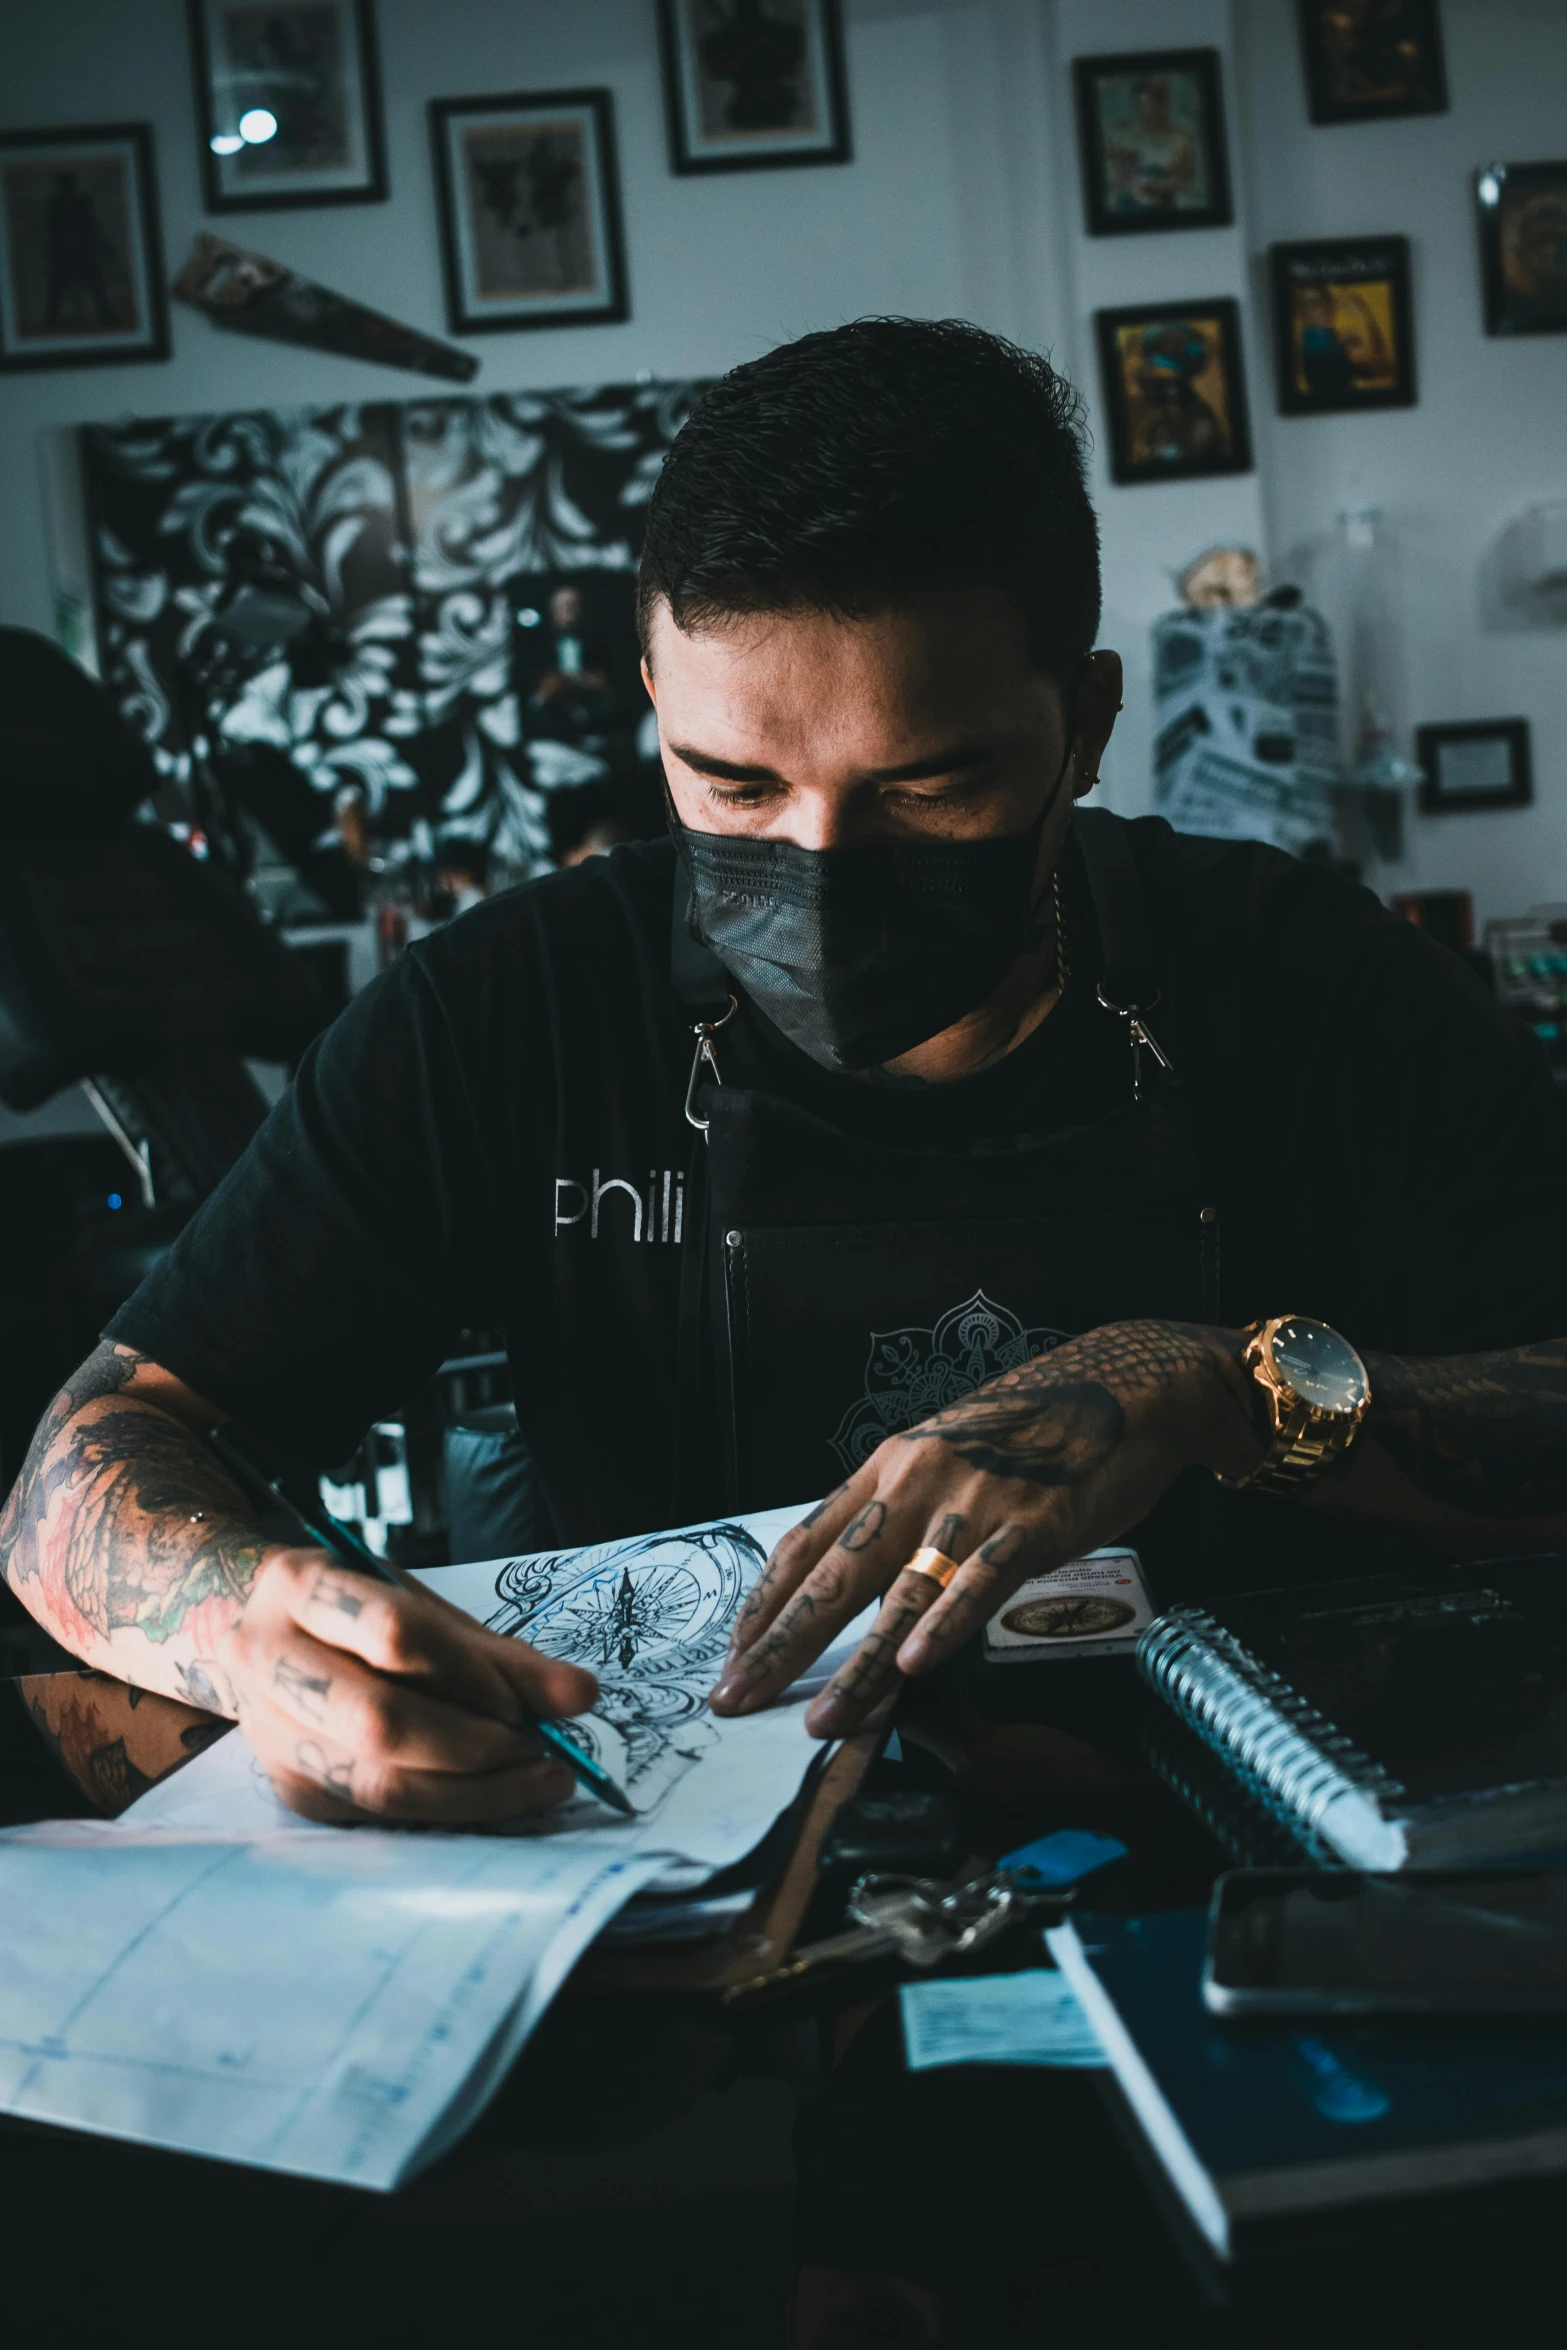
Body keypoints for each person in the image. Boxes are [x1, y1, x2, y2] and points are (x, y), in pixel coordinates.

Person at [4, 317, 1567, 1826]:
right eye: (732, 783)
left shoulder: (1302, 980)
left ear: (1081, 726)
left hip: (1230, 1838)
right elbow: (80, 1471)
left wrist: (1203, 1386)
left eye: (930, 790)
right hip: (685, 1883)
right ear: (655, 712)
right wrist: (246, 1626)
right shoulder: (507, 1013)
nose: (818, 871)